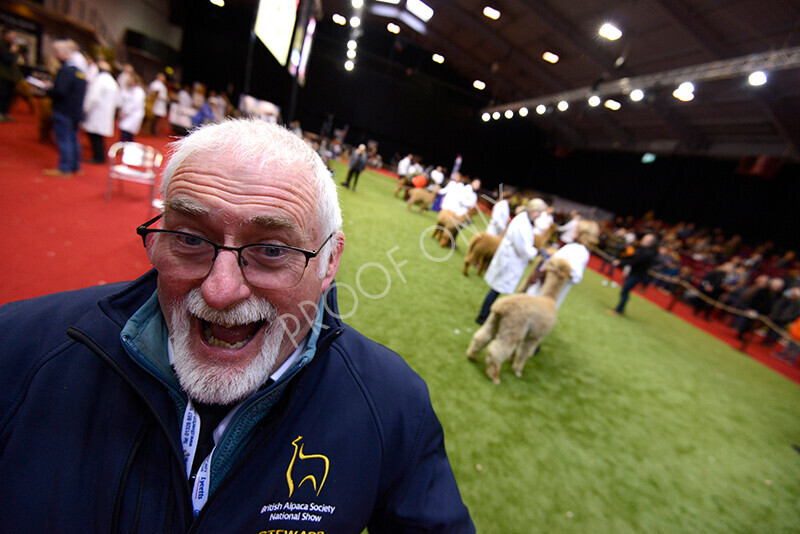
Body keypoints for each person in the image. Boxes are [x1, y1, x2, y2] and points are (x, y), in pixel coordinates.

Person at [0, 119, 474, 532]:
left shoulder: (394, 408)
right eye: (189, 238)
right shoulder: (18, 352)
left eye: (271, 250)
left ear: (330, 262)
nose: (220, 291)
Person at [476, 198, 547, 324]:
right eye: (539, 212)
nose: (540, 215)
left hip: (510, 259)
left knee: (496, 289)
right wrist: (535, 252)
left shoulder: (525, 220)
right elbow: (522, 247)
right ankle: (483, 316)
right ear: (533, 210)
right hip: (510, 260)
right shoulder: (522, 223)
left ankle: (486, 314)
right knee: (496, 289)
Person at [526, 220, 600, 308]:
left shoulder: (579, 251)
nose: (574, 231)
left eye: (577, 229)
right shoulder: (576, 247)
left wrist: (554, 269)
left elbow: (575, 276)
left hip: (548, 291)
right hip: (543, 287)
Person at [42, 40, 87, 178]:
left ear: (61, 54)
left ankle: (64, 168)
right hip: (76, 111)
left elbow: (60, 92)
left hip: (63, 110)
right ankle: (75, 166)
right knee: (73, 139)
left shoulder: (65, 71)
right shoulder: (79, 72)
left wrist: (48, 89)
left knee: (64, 139)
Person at [608, 233, 659, 315]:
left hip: (637, 275)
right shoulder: (644, 250)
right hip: (634, 273)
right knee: (625, 291)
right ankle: (620, 309)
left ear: (650, 243)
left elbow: (634, 261)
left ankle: (619, 310)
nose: (642, 240)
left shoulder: (648, 253)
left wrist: (621, 262)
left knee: (625, 291)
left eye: (645, 240)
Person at [81, 59, 120, 163]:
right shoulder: (113, 82)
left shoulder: (99, 80)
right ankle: (100, 156)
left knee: (95, 136)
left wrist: (85, 109)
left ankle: (99, 157)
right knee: (98, 136)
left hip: (96, 112)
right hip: (105, 113)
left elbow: (92, 98)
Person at [0, 27, 23, 123]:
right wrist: (13, 52)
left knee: (9, 96)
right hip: (2, 74)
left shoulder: (11, 46)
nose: (14, 37)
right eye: (12, 35)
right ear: (6, 35)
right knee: (2, 95)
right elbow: (6, 58)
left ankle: (5, 113)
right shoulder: (1, 45)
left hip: (11, 76)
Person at [118, 73, 146, 142]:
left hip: (133, 114)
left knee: (126, 132)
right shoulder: (130, 89)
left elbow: (134, 104)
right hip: (129, 113)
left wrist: (125, 112)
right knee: (127, 134)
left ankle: (123, 148)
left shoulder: (139, 92)